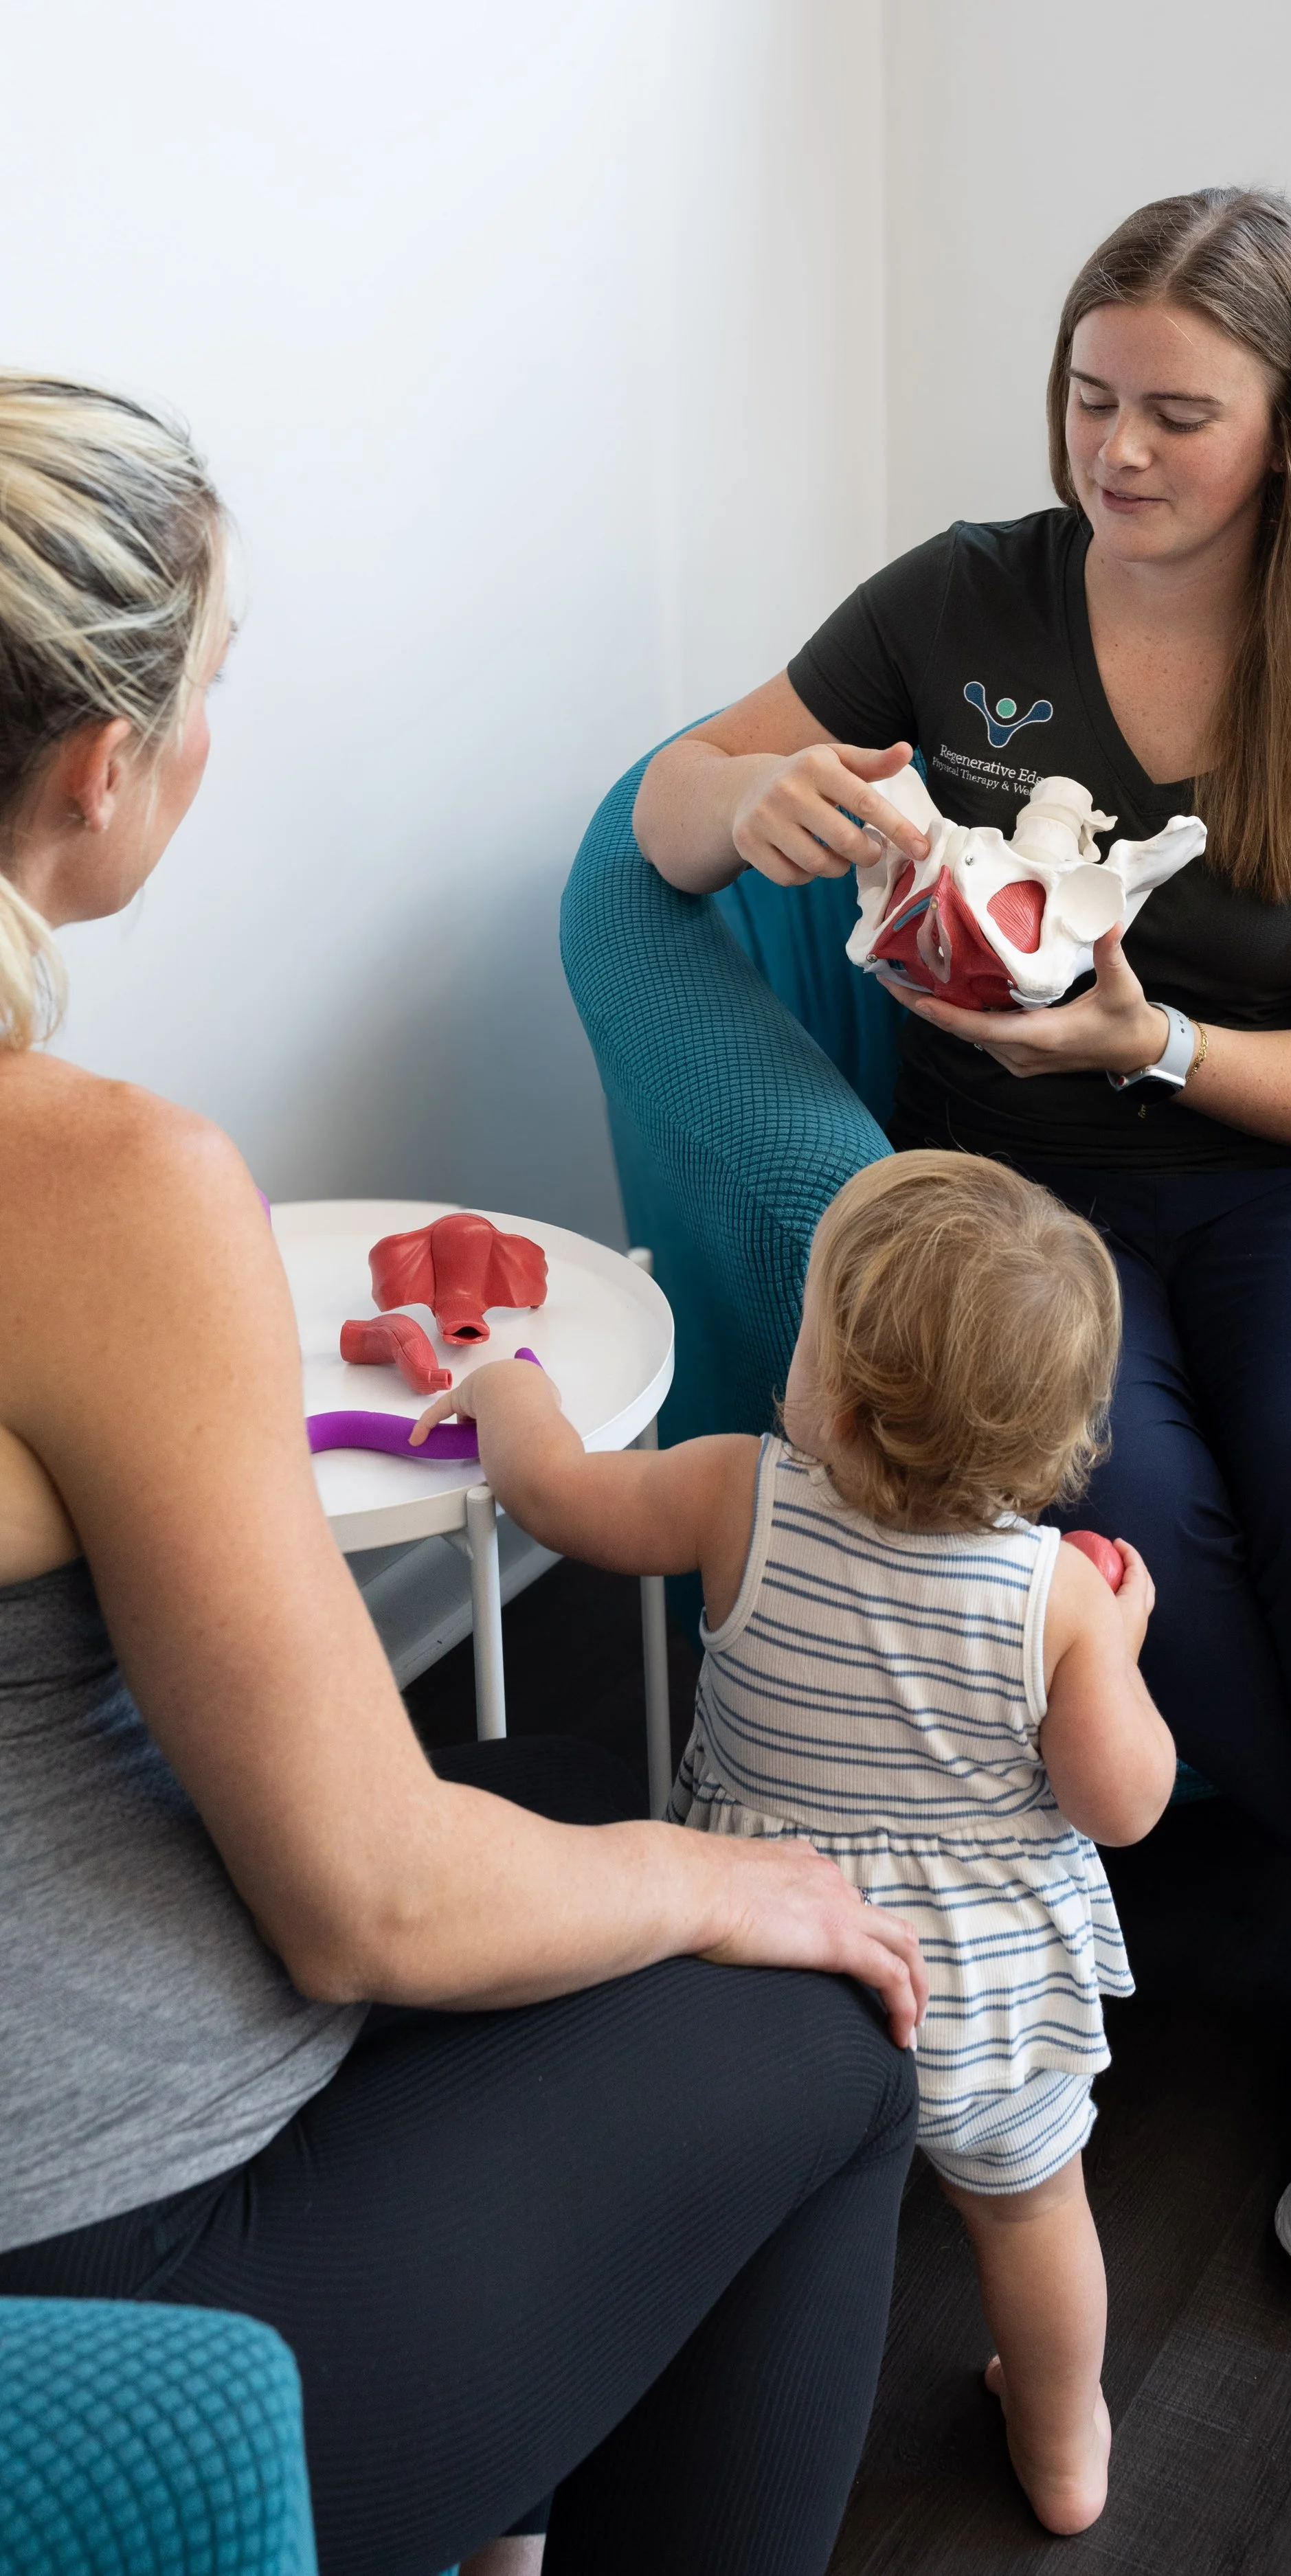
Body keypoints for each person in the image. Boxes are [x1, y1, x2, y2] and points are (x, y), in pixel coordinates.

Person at [631, 188, 1291, 2296]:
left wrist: (1153, 1036)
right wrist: (743, 807)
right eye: (1089, 397)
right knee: (1145, 1558)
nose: (1115, 450)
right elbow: (662, 794)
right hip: (1011, 1203)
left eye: (1174, 414)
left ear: (1286, 433)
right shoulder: (962, 601)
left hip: (1289, 1175)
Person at [0, 373, 930, 2576]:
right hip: (117, 2317)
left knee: (558, 1812)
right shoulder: (100, 1192)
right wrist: (751, 1886)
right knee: (822, 2024)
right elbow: (370, 1899)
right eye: (213, 691)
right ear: (96, 767)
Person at [412, 1151, 1178, 2533]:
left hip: (768, 1975)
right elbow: (1123, 1805)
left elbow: (558, 1499)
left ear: (828, 1386)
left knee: (752, 2232)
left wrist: (506, 1394)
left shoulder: (733, 1495)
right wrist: (1115, 1645)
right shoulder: (1051, 1598)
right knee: (1029, 2211)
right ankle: (1063, 2449)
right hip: (981, 1998)